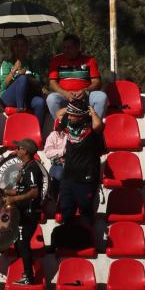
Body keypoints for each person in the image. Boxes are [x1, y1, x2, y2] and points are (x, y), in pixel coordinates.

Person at [54, 93, 105, 233]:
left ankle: (87, 240)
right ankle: (68, 242)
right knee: (66, 211)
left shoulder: (91, 127)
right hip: (68, 176)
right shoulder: (68, 122)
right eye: (69, 114)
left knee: (85, 211)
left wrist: (92, 112)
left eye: (72, 115)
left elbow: (99, 125)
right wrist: (72, 105)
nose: (68, 117)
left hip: (87, 178)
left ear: (82, 116)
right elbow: (58, 113)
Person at [3, 138, 44, 287]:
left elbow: (34, 192)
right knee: (21, 243)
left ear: (25, 151)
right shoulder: (26, 167)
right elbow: (19, 190)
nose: (16, 150)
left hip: (29, 213)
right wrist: (3, 191)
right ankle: (27, 274)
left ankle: (29, 276)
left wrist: (14, 200)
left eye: (19, 148)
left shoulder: (32, 168)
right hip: (24, 213)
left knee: (23, 243)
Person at [46, 33, 108, 120]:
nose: (66, 50)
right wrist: (66, 94)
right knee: (51, 98)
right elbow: (52, 83)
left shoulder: (90, 60)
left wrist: (85, 91)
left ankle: (94, 129)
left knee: (102, 97)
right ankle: (63, 128)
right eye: (64, 47)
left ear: (77, 47)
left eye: (69, 47)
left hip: (85, 97)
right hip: (65, 97)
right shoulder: (56, 60)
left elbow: (97, 82)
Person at [0, 34, 46, 128]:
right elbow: (3, 85)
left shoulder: (31, 63)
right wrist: (14, 70)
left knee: (40, 102)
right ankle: (21, 110)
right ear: (12, 48)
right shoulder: (6, 63)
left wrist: (28, 77)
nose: (19, 48)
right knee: (22, 79)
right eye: (16, 45)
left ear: (27, 47)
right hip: (8, 97)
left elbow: (38, 83)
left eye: (22, 45)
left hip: (27, 96)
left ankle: (37, 136)